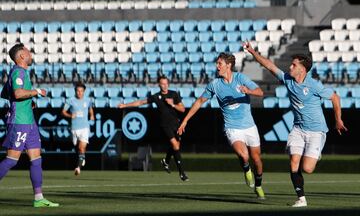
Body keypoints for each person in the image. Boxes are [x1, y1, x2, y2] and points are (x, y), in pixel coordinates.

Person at [243, 41, 347, 207]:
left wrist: (338, 120)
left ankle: (315, 153)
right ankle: (301, 199)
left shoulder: (314, 85)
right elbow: (269, 66)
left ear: (302, 69)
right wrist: (252, 52)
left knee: (307, 168)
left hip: (316, 131)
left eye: (293, 65)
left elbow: (335, 97)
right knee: (293, 163)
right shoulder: (288, 80)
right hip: (298, 129)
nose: (290, 67)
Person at [177, 52, 266, 199]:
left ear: (228, 65)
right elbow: (199, 101)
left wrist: (248, 91)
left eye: (220, 63)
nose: (217, 66)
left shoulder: (240, 78)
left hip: (249, 126)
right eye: (217, 63)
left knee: (256, 159)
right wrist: (185, 120)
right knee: (243, 155)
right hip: (232, 127)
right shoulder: (215, 84)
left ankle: (258, 185)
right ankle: (246, 169)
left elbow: (260, 92)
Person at [0, 43, 59, 207]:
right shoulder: (18, 71)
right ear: (21, 56)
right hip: (20, 122)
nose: (30, 53)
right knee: (12, 159)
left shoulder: (20, 72)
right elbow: (17, 93)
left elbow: (5, 93)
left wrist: (27, 102)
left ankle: (39, 199)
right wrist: (36, 92)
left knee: (36, 159)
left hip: (29, 121)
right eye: (27, 51)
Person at [118, 76, 188, 181]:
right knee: (174, 145)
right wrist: (125, 105)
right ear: (159, 85)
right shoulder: (156, 96)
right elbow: (141, 102)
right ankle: (182, 173)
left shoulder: (174, 94)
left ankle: (166, 161)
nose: (164, 85)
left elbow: (182, 109)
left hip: (176, 124)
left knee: (176, 146)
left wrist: (172, 104)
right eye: (162, 84)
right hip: (165, 125)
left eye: (166, 83)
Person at [61, 82, 94, 176]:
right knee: (77, 147)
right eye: (78, 91)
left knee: (81, 147)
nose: (79, 93)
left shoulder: (88, 100)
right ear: (75, 91)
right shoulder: (70, 100)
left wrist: (92, 115)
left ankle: (78, 168)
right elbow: (63, 112)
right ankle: (82, 158)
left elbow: (90, 108)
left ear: (84, 92)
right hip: (74, 128)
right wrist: (70, 115)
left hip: (85, 127)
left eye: (81, 91)